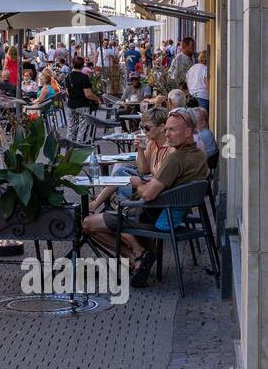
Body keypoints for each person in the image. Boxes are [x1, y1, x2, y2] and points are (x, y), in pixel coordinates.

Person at [81, 108, 209, 287]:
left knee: (87, 223)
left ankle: (137, 256)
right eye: (166, 130)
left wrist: (137, 184)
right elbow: (147, 172)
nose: (167, 134)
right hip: (171, 213)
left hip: (154, 215)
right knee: (120, 186)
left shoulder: (175, 158)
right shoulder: (200, 156)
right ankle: (139, 256)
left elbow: (148, 194)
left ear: (188, 133)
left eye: (172, 129)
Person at [66, 56, 100, 142]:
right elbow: (88, 94)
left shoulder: (68, 77)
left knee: (71, 128)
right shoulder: (84, 77)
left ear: (73, 64)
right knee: (82, 129)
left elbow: (67, 92)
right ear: (83, 65)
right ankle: (80, 147)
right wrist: (97, 99)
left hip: (71, 105)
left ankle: (69, 147)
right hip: (82, 105)